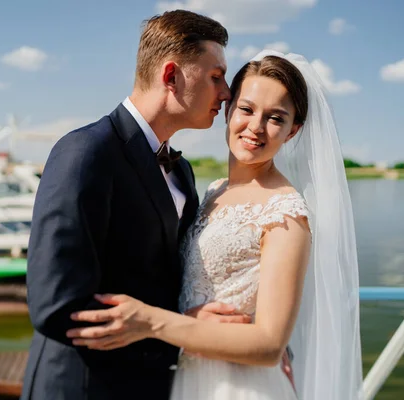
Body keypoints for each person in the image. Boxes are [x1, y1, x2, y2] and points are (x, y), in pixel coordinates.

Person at [67, 51, 363, 400]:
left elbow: (269, 344)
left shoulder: (285, 213)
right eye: (247, 109)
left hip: (240, 387)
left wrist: (151, 322)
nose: (255, 127)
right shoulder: (213, 191)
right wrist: (184, 320)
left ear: (293, 130)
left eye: (275, 118)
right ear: (228, 110)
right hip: (187, 377)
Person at [20, 10, 239, 400]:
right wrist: (177, 330)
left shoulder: (182, 171)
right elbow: (55, 304)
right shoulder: (86, 153)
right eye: (216, 77)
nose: (226, 94)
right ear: (171, 76)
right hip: (82, 387)